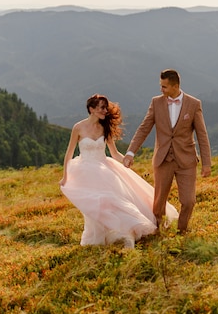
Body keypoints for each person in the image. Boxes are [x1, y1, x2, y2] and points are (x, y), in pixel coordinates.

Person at [59, 94, 179, 248]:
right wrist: (65, 177)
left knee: (112, 202)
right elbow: (68, 154)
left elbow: (114, 153)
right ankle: (98, 236)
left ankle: (121, 232)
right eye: (102, 108)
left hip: (103, 169)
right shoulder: (78, 127)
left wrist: (126, 160)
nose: (105, 111)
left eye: (105, 108)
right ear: (92, 109)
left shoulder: (104, 128)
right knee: (94, 204)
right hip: (85, 171)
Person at [123, 69, 211, 234]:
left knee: (189, 201)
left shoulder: (194, 104)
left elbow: (202, 135)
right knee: (159, 202)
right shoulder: (156, 103)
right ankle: (158, 230)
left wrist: (207, 163)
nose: (161, 90)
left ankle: (182, 231)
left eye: (164, 86)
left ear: (175, 86)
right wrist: (130, 153)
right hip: (163, 159)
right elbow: (144, 128)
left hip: (186, 160)